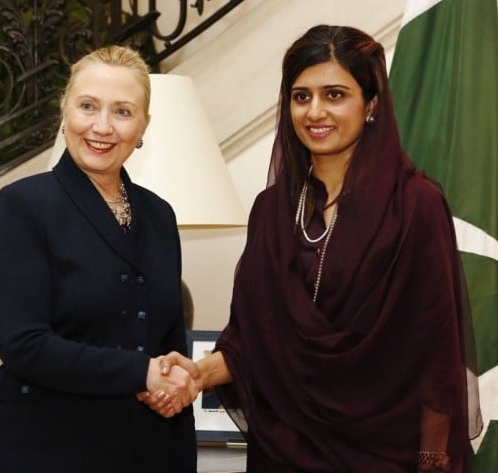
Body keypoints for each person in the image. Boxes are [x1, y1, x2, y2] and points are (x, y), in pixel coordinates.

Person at [141, 25, 481, 472]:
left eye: (335, 94)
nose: (315, 112)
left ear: (372, 103)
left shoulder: (414, 204)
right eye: (301, 96)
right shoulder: (271, 211)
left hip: (387, 455)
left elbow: (437, 351)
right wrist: (193, 375)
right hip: (284, 452)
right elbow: (252, 347)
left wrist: (434, 460)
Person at [0, 45, 198, 473]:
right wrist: (143, 373)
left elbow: (167, 341)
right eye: (88, 106)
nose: (102, 127)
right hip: (42, 447)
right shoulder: (25, 204)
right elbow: (24, 346)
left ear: (144, 125)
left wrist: (177, 379)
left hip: (143, 448)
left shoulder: (160, 214)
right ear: (65, 111)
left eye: (123, 111)